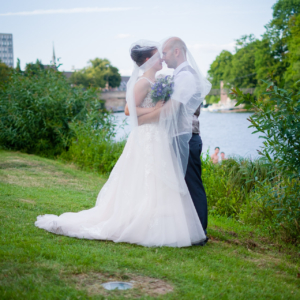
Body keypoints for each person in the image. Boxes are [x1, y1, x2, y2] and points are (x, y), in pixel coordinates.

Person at [35, 40, 207, 248]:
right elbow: (128, 110)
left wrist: (153, 113)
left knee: (158, 181)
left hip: (158, 136)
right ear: (147, 60)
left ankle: (166, 224)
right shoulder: (143, 82)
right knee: (145, 178)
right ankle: (149, 223)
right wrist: (153, 114)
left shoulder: (161, 80)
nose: (161, 58)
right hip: (147, 136)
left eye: (163, 54)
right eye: (157, 55)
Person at [136, 37, 211, 244]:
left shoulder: (186, 77)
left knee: (192, 184)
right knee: (181, 185)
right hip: (177, 137)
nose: (163, 58)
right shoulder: (177, 76)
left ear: (177, 52)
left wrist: (141, 119)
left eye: (166, 53)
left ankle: (200, 233)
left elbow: (170, 110)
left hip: (186, 138)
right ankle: (187, 229)